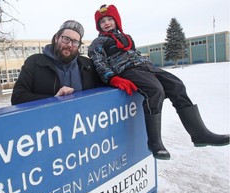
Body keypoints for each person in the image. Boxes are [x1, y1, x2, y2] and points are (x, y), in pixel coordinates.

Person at [88, 4, 229, 160]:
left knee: (177, 85)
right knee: (155, 90)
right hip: (125, 70)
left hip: (144, 66)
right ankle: (155, 143)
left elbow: (133, 53)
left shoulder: (126, 37)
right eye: (102, 21)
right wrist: (111, 77)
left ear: (117, 20)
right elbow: (98, 62)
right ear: (98, 26)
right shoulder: (98, 42)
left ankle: (200, 134)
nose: (106, 23)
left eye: (109, 19)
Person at [11, 20, 102, 105]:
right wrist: (54, 100)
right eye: (66, 39)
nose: (70, 45)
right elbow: (17, 98)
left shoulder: (88, 65)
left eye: (75, 42)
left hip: (82, 120)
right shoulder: (34, 63)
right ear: (56, 38)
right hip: (49, 121)